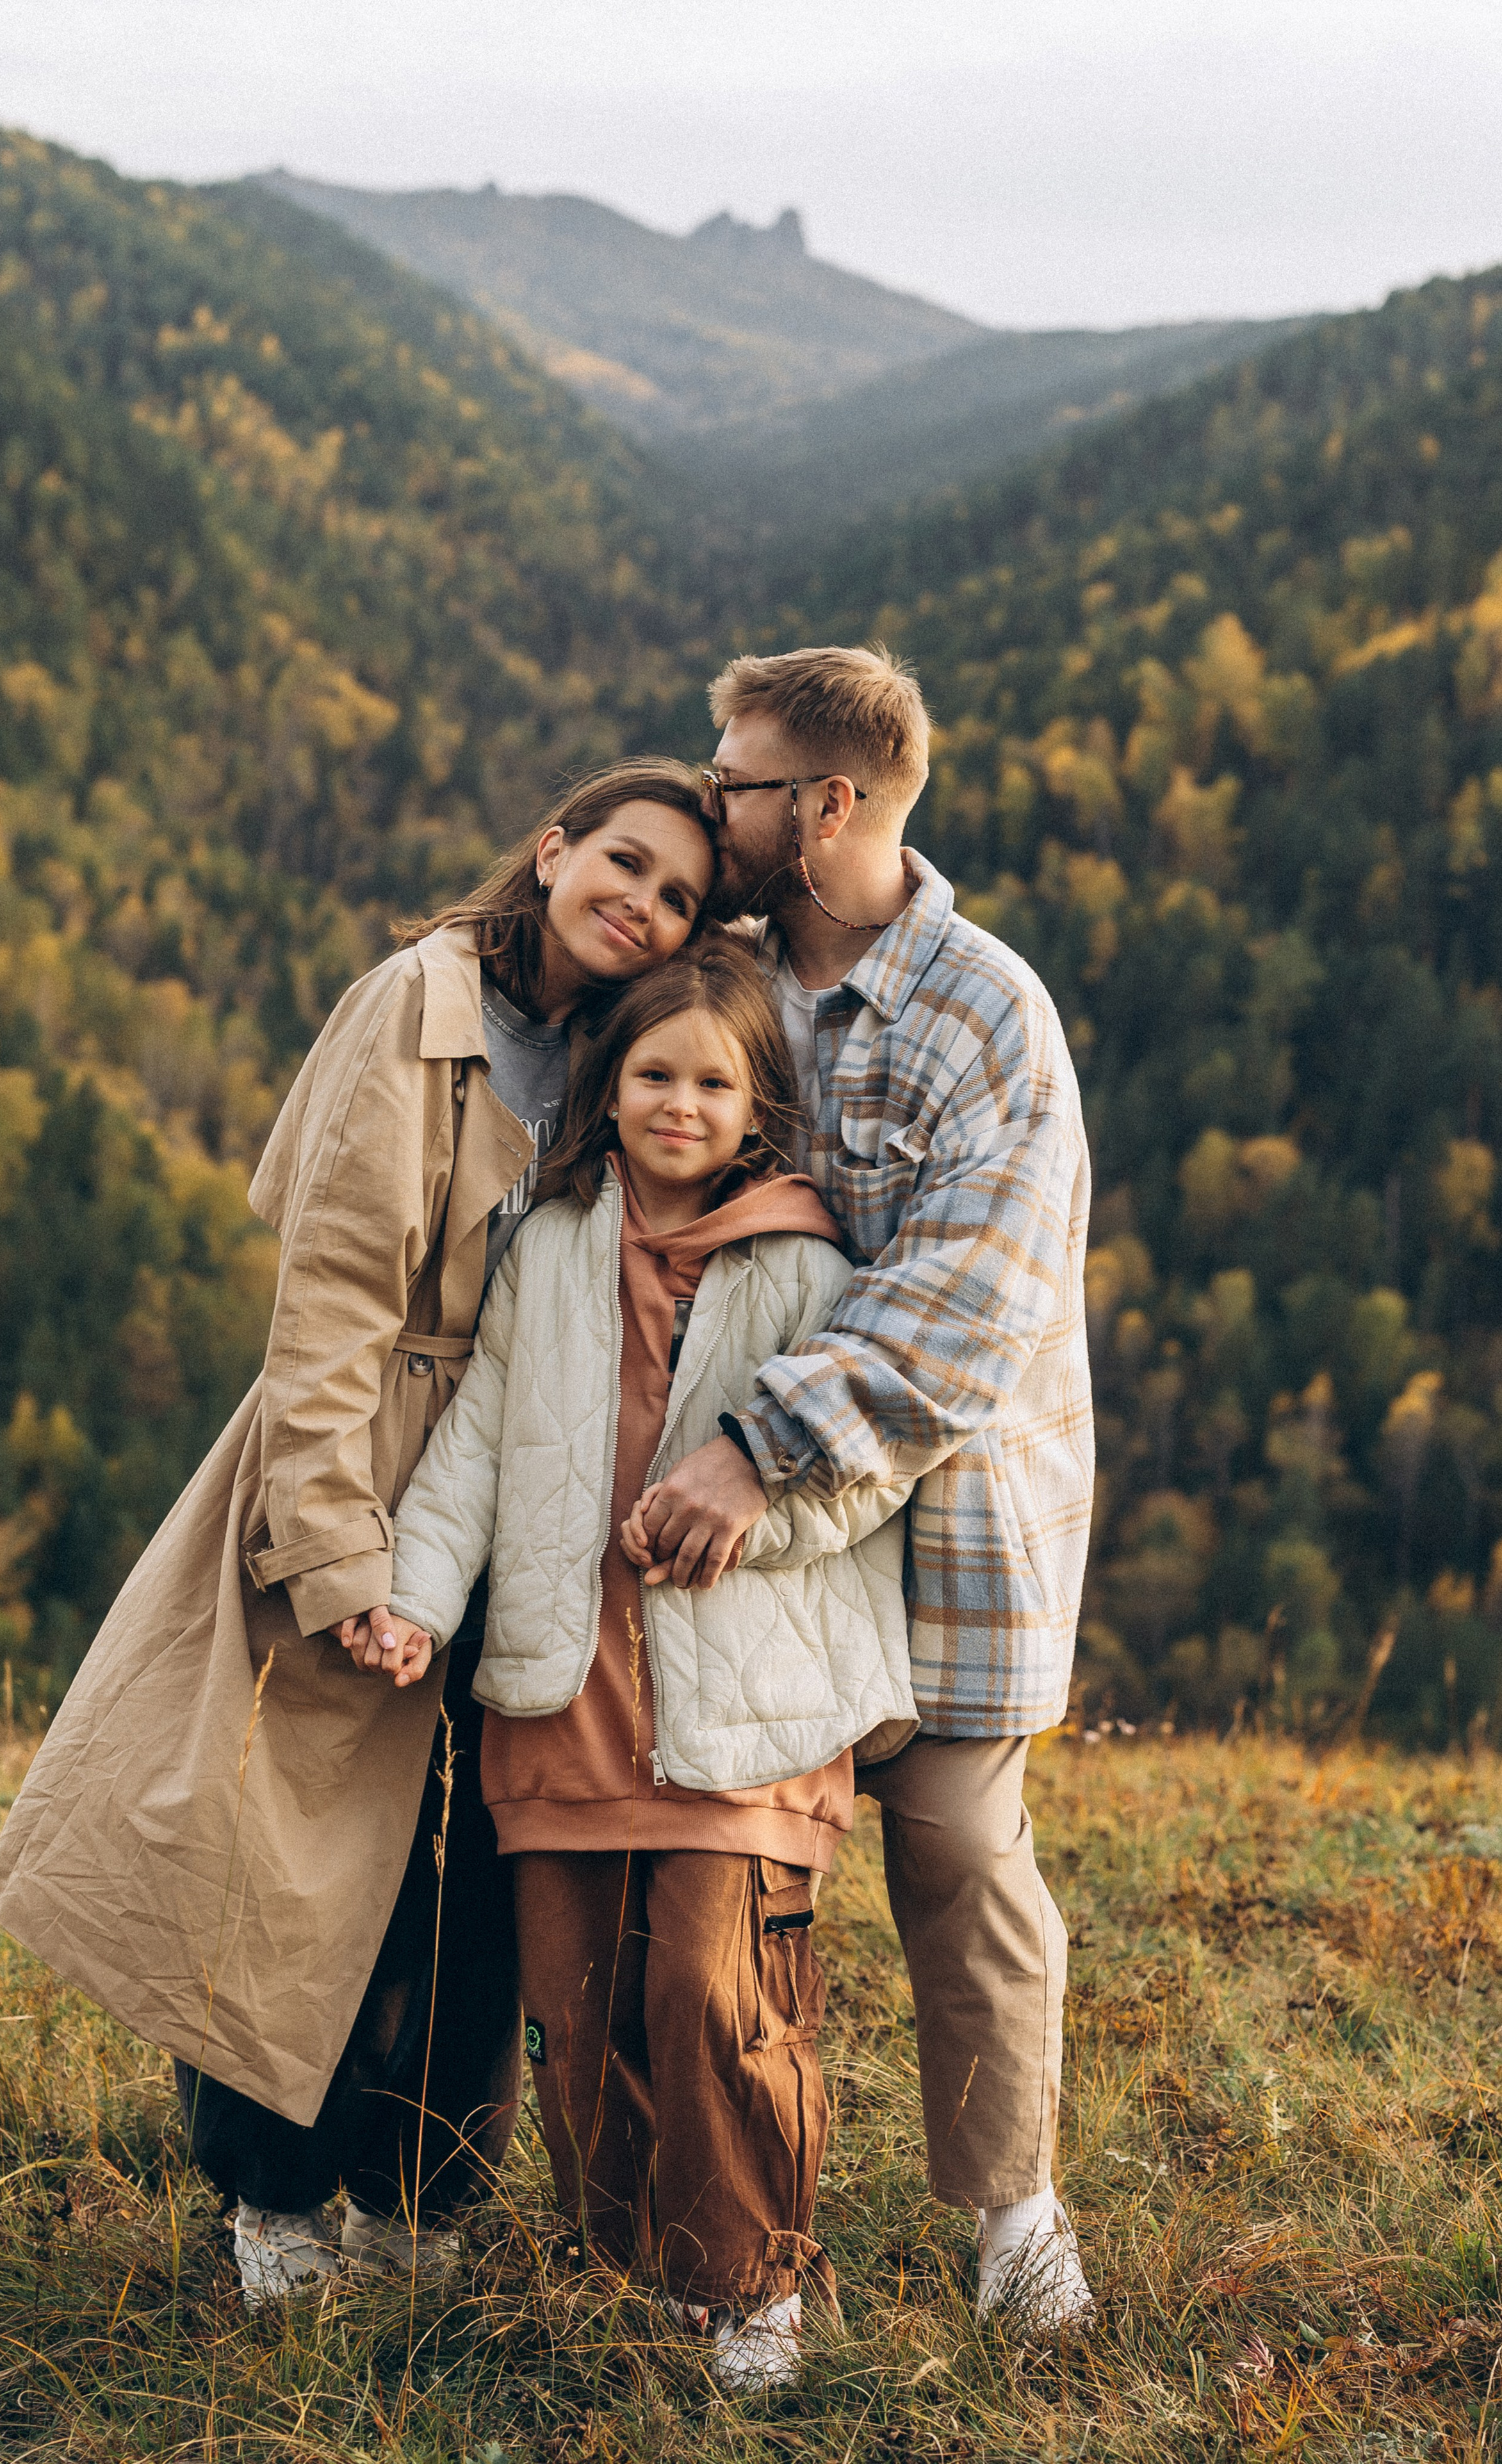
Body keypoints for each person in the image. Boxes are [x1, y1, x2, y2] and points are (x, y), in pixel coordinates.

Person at [0, 759, 717, 2309]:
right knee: (295, 1867)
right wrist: (331, 1552)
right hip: (367, 1465)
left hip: (525, 1496)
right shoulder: (418, 1006)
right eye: (623, 863)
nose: (640, 905)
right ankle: (276, 2202)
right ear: (553, 847)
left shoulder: (614, 1046)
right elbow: (324, 1309)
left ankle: (424, 2200)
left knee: (479, 1867)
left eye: (677, 897)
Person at [368, 939, 918, 2391]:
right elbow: (474, 1444)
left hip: (744, 1710)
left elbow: (865, 1477)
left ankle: (747, 2287)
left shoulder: (805, 1262)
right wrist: (418, 1596)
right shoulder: (547, 1245)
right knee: (578, 2002)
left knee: (712, 1996)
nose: (678, 1102)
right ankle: (626, 2273)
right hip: (566, 1702)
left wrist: (750, 1521)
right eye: (650, 1074)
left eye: (711, 1081)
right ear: (605, 1091)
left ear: (757, 1107)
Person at [626, 647, 1098, 2331]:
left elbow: (973, 1298)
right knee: (729, 1877)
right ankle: (748, 2245)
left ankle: (1010, 2212)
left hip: (947, 1527)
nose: (709, 798)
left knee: (961, 1855)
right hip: (747, 1556)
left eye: (734, 777)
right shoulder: (716, 975)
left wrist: (759, 1447)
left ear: (826, 807)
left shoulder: (986, 1014)